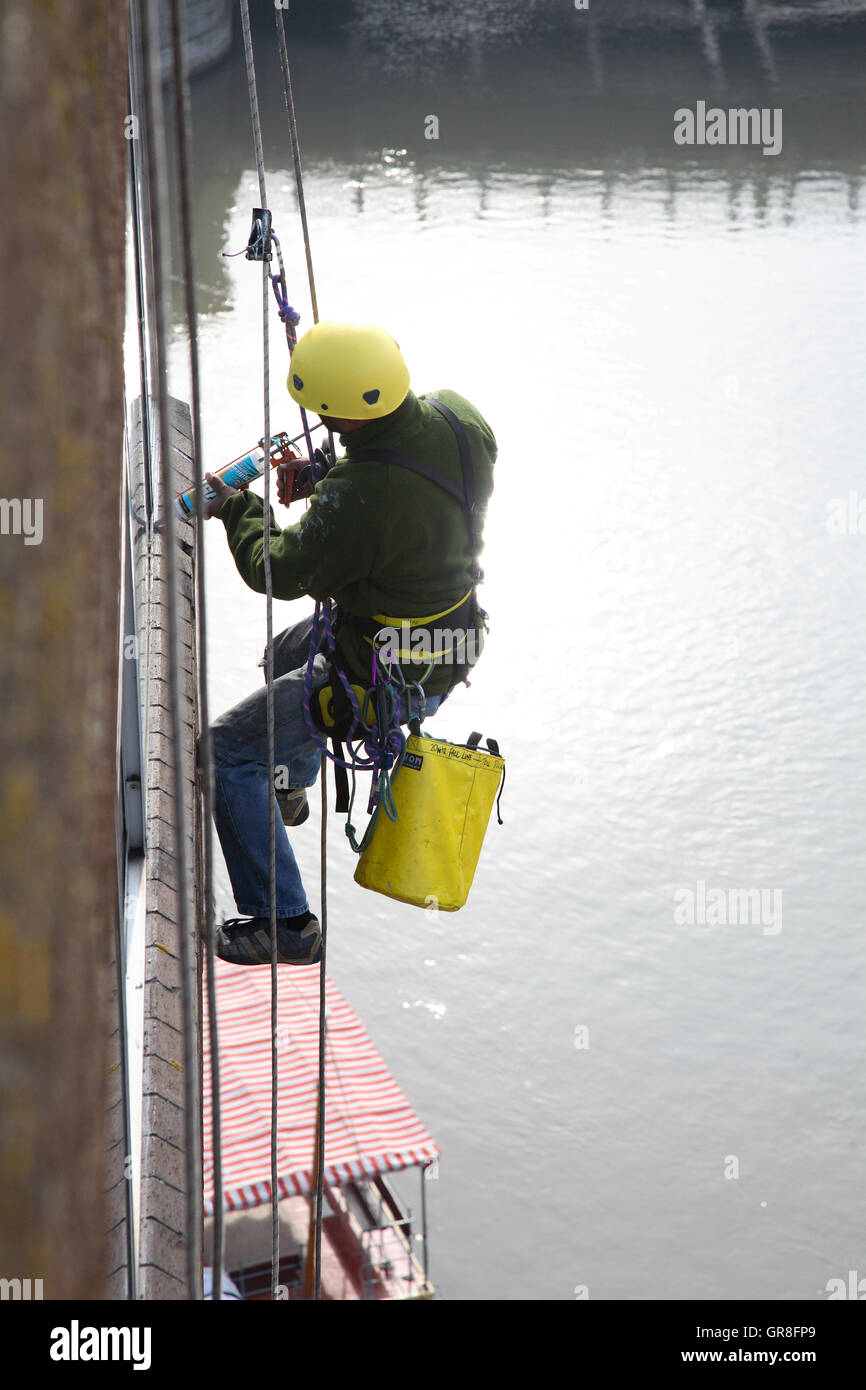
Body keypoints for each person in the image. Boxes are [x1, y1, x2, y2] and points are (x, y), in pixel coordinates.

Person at [203, 322, 496, 966]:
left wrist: (236, 509)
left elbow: (276, 569)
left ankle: (286, 920)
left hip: (379, 674)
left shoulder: (359, 497)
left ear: (338, 413)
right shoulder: (458, 418)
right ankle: (289, 784)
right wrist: (327, 477)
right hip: (447, 643)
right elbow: (410, 494)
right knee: (285, 652)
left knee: (223, 752)